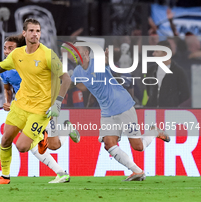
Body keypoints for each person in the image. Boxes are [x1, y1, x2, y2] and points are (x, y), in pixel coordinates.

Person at [0, 18, 71, 184]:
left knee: (23, 147)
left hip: (40, 108)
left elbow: (66, 79)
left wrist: (57, 103)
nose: (35, 34)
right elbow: (1, 67)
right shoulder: (17, 54)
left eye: (37, 31)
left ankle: (44, 137)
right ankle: (5, 176)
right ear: (25, 33)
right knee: (5, 139)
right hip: (21, 104)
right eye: (31, 31)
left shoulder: (47, 54)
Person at [70, 44, 170, 181]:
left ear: (86, 53)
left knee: (138, 147)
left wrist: (106, 57)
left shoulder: (97, 63)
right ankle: (137, 171)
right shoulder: (77, 71)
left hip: (123, 106)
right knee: (108, 143)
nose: (74, 53)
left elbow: (105, 62)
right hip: (106, 112)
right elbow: (80, 85)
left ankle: (153, 132)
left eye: (78, 50)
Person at [0, 35, 80, 183]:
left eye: (10, 48)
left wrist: (55, 101)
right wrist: (8, 102)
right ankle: (61, 173)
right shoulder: (5, 68)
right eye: (5, 48)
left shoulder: (35, 62)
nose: (6, 51)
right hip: (24, 108)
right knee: (33, 144)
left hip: (44, 107)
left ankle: (66, 129)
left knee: (53, 145)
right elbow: (7, 88)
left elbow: (58, 78)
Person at [146, 40, 190, 107]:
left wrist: (173, 105)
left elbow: (185, 94)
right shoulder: (151, 70)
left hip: (170, 113)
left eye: (156, 52)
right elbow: (148, 90)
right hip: (152, 111)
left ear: (165, 54)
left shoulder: (178, 72)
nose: (153, 54)